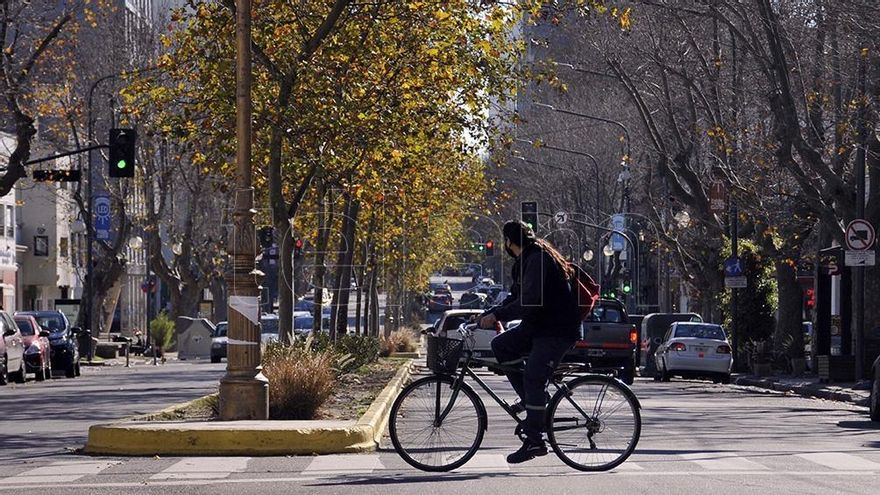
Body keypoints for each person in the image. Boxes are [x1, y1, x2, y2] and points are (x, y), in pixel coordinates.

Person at [478, 220, 582, 464]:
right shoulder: (526, 261)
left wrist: (497, 316)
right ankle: (531, 401)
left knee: (534, 377)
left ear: (509, 242)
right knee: (501, 345)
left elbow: (530, 302)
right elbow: (516, 297)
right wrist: (489, 313)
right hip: (538, 327)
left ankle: (535, 440)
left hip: (556, 330)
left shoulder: (538, 259)